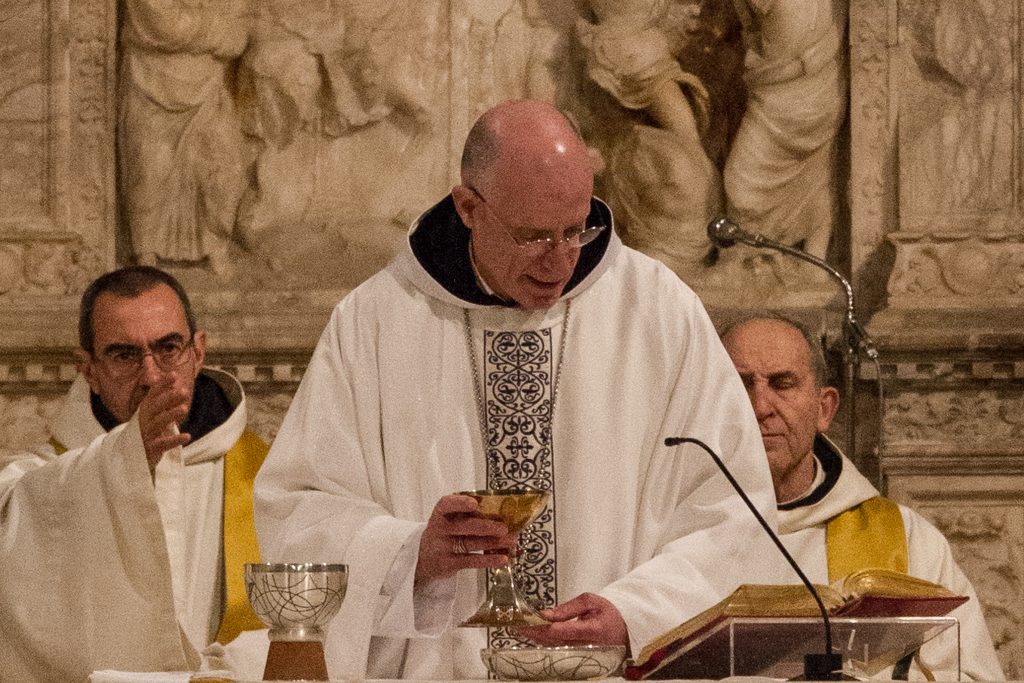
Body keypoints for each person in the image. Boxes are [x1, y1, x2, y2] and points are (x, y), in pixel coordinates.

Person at [254, 98, 790, 679]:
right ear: (468, 207)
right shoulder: (376, 321)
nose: (559, 261)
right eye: (533, 236)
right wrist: (413, 555)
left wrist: (634, 615)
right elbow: (300, 510)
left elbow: (732, 512)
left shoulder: (658, 312)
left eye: (575, 229)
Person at [0, 266, 270, 682]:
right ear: (87, 368)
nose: (151, 376)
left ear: (198, 352)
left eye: (168, 347)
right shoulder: (40, 478)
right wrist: (125, 458)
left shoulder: (269, 474)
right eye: (124, 355)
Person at [721, 315, 1004, 681]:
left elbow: (973, 675)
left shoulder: (905, 538)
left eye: (783, 383)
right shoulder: (671, 527)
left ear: (824, 408)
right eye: (740, 384)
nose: (760, 407)